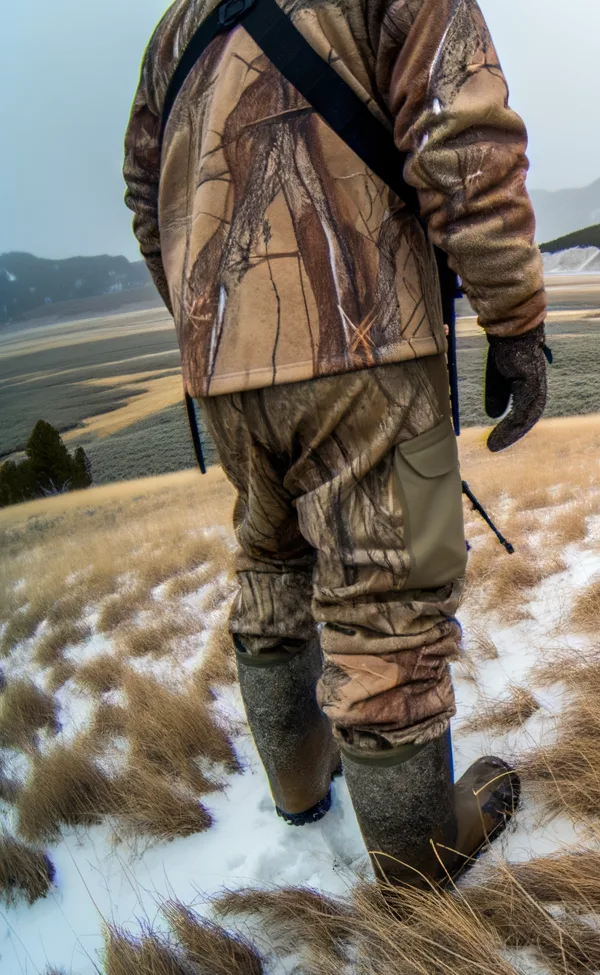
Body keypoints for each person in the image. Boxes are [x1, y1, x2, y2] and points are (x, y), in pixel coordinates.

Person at [122, 0, 550, 887]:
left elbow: (144, 192)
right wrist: (514, 322)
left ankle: (300, 795)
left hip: (219, 360)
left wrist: (212, 328)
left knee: (272, 563)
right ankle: (418, 857)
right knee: (389, 591)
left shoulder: (176, 26)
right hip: (367, 337)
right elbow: (462, 136)